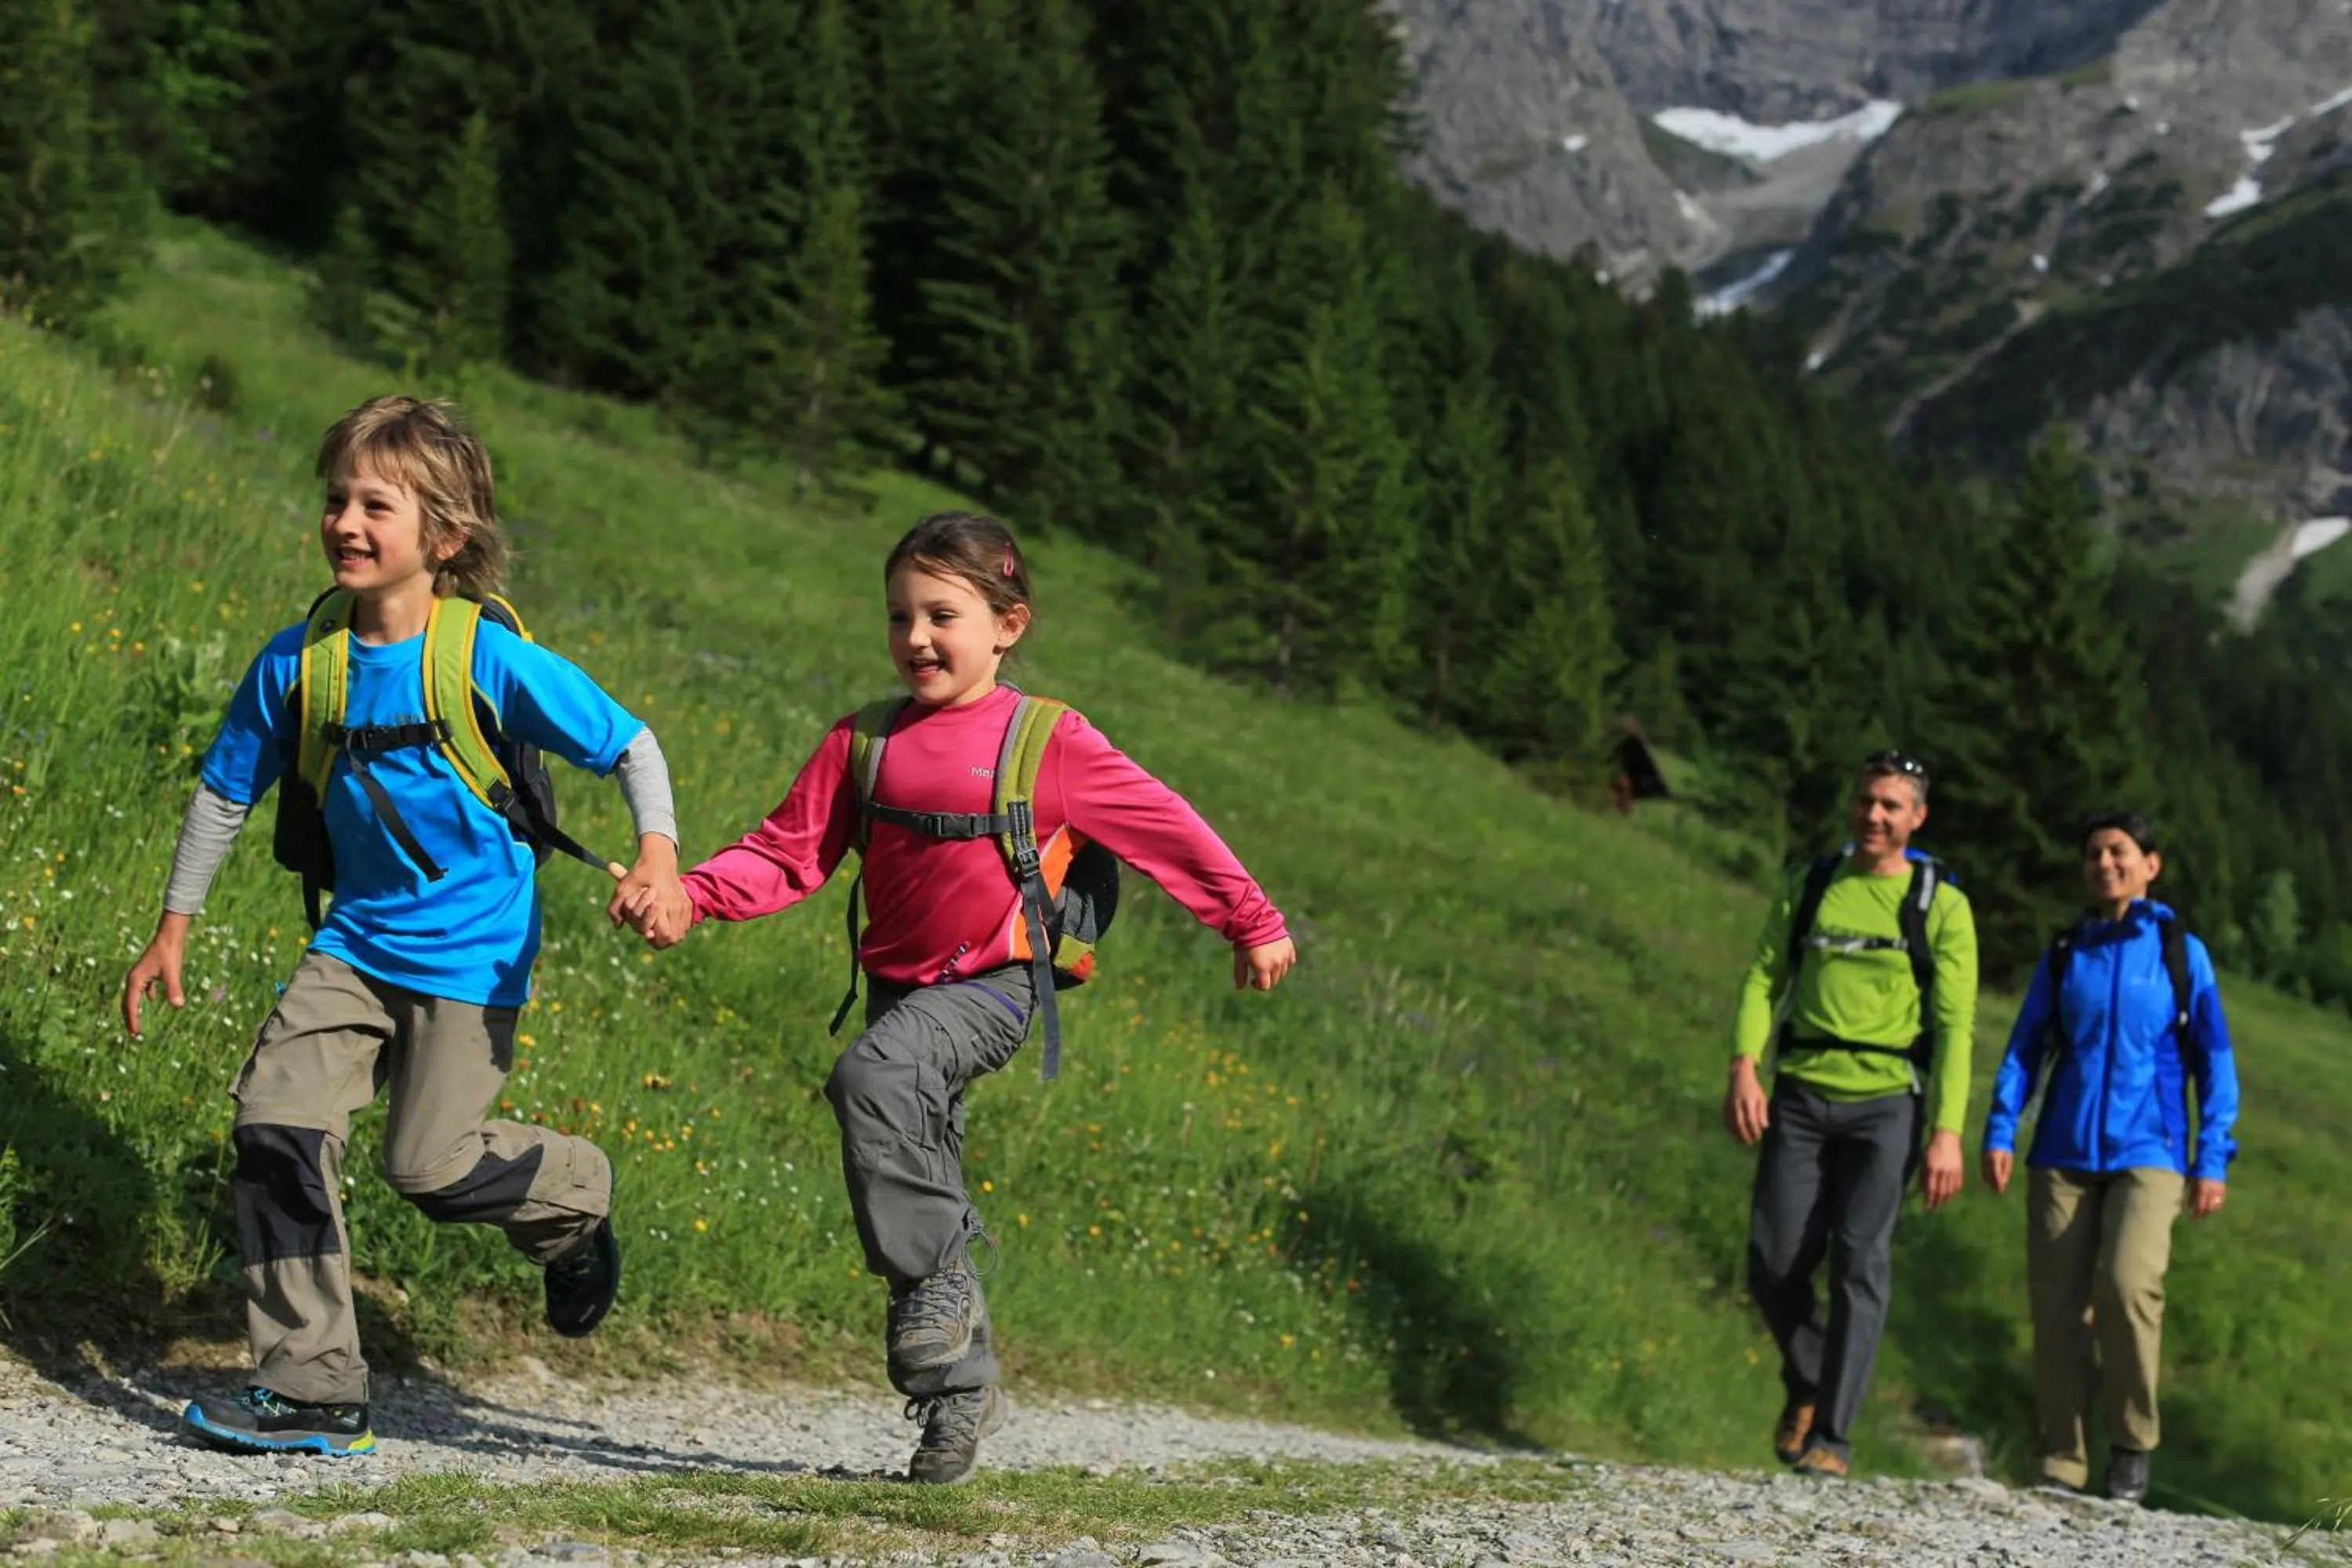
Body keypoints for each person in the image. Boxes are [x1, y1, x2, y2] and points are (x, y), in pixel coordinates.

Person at [626, 510, 1296, 1485]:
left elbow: (1165, 823)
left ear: (1007, 625)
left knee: (873, 1081)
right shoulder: (864, 738)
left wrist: (1250, 917)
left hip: (994, 986)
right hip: (897, 989)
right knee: (918, 1167)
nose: (917, 637)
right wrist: (693, 895)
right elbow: (787, 852)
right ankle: (957, 1401)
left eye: (943, 615)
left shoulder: (1048, 739)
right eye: (899, 615)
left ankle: (935, 1283)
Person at [121, 396, 684, 1457]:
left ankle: (574, 1200)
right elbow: (224, 793)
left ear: (447, 535)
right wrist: (172, 928)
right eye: (337, 498)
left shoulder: (485, 658)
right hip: (354, 943)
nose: (345, 521)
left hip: (472, 954)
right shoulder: (298, 662)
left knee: (428, 1167)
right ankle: (312, 1387)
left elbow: (631, 743)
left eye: (376, 505)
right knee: (275, 1127)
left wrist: (657, 853)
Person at [1722, 751, 1977, 1478]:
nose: (1874, 815)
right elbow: (1764, 977)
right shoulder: (1811, 885)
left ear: (1917, 817)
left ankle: (1833, 1439)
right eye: (1866, 800)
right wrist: (1744, 1064)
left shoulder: (1942, 906)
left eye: (1891, 806)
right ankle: (1808, 1379)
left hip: (1888, 1105)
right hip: (1801, 1092)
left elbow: (1955, 1027)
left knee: (1860, 1262)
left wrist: (1947, 1133)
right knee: (1772, 1262)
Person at [1980, 811, 2238, 1504]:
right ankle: (2061, 1460)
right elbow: (2025, 1046)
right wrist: (2001, 1129)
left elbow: (2215, 1060)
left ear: (2151, 864)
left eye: (2119, 851)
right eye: (2094, 853)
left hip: (2150, 1148)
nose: (2104, 863)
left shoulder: (2181, 953)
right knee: (2057, 1308)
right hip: (2061, 1151)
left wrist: (2212, 1156)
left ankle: (2131, 1445)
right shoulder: (2068, 951)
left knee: (2127, 1288)